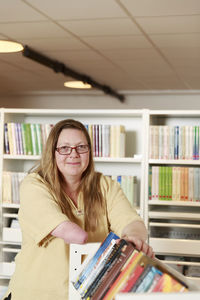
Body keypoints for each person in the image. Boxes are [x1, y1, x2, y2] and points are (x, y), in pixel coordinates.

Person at [3, 119, 153, 300]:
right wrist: (121, 248)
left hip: (85, 295)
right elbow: (75, 235)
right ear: (52, 152)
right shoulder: (34, 184)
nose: (73, 154)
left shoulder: (105, 185)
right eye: (64, 148)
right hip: (35, 294)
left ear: (89, 151)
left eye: (81, 147)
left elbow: (133, 223)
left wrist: (134, 239)